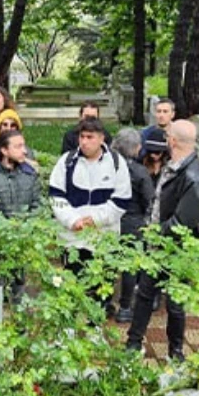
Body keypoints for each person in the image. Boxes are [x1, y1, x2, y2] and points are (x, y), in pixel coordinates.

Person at [125, 121, 199, 361]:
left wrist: (151, 233)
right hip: (158, 245)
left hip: (177, 251)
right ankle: (133, 341)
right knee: (144, 294)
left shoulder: (194, 178)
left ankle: (176, 350)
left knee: (175, 303)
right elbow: (158, 201)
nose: (165, 139)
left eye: (167, 136)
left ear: (172, 141)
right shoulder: (173, 166)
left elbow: (181, 225)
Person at [49, 117, 132, 309]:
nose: (84, 142)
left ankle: (95, 330)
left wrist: (95, 219)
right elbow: (56, 196)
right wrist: (73, 220)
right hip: (72, 238)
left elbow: (121, 200)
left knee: (101, 288)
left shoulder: (117, 163)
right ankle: (67, 330)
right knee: (70, 286)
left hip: (103, 239)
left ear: (101, 138)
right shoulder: (66, 162)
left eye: (90, 137)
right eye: (82, 136)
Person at [0, 129, 42, 323]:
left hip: (22, 241)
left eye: (23, 145)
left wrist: (24, 226)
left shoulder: (29, 175)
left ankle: (20, 327)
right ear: (4, 150)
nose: (24, 151)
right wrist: (3, 228)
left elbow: (38, 206)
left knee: (19, 285)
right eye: (18, 146)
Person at [110, 127, 158, 323]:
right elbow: (150, 199)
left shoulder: (108, 167)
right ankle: (125, 306)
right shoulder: (140, 172)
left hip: (111, 219)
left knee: (109, 262)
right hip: (134, 221)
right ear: (137, 148)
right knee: (130, 267)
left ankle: (104, 302)